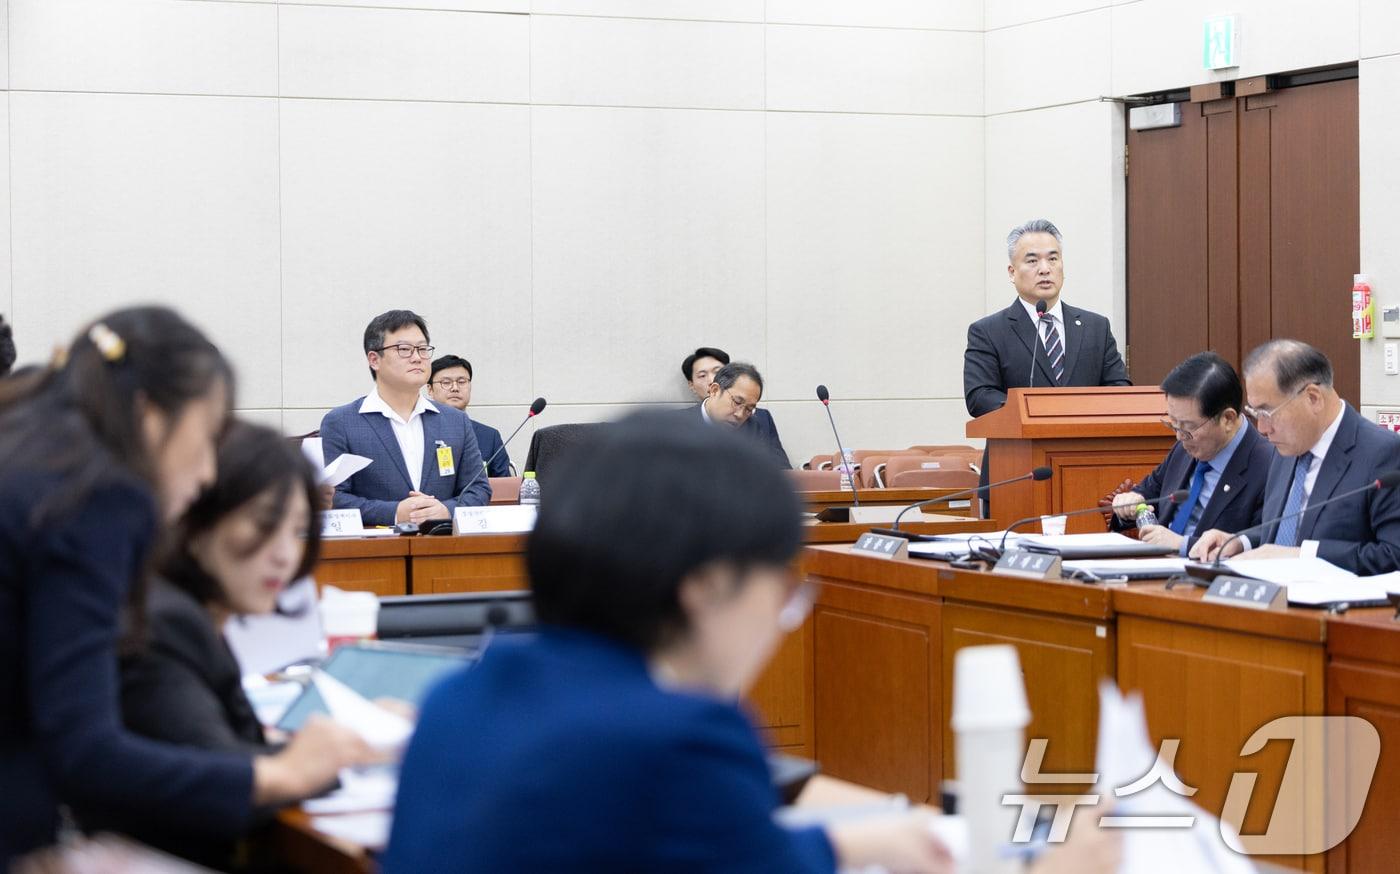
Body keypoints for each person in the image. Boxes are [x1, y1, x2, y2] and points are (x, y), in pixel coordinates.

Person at [384, 414, 1119, 874]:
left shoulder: (462, 697)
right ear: (707, 588)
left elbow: (736, 855)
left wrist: (853, 845)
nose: (781, 621)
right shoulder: (680, 736)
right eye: (782, 592)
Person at [0, 307, 371, 868]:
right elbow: (86, 751)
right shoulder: (95, 494)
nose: (204, 475)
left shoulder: (31, 452)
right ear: (149, 417)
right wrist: (282, 771)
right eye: (205, 437)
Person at [111, 421, 336, 868]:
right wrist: (340, 755)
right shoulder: (166, 621)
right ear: (197, 516)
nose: (284, 555)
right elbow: (227, 779)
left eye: (295, 531)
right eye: (264, 524)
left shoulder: (187, 612)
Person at [1192, 340, 1400, 573]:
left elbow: (1394, 555)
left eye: (1267, 412)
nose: (1261, 428)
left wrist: (1303, 555)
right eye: (1254, 413)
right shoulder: (1286, 447)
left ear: (1313, 398)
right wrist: (1239, 541)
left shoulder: (1384, 453)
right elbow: (1291, 529)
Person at [963, 220, 1131, 508]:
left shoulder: (1095, 327)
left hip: (1086, 472)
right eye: (1032, 260)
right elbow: (980, 397)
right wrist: (1036, 413)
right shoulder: (989, 331)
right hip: (1017, 473)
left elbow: (1120, 389)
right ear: (1011, 272)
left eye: (1053, 258)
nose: (1045, 268)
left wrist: (1077, 415)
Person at [320, 310, 490, 527]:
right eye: (404, 349)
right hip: (377, 552)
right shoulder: (342, 422)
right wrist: (394, 512)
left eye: (422, 349)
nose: (417, 357)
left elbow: (478, 489)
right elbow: (334, 497)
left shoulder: (455, 421)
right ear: (374, 359)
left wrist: (446, 510)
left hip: (443, 549)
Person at [1109, 352, 1273, 555]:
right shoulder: (1185, 448)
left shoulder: (1269, 465)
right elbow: (1150, 492)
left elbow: (1263, 543)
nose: (1179, 436)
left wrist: (1183, 544)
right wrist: (1131, 502)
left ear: (1228, 419)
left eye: (1187, 427)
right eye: (1173, 424)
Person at [682, 347, 791, 469]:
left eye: (749, 409)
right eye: (737, 402)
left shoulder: (755, 426)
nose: (740, 415)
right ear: (714, 390)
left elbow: (781, 473)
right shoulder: (677, 425)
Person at [427, 354, 510, 478]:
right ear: (430, 389)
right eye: (446, 382)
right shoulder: (418, 430)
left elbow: (504, 488)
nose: (455, 388)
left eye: (461, 382)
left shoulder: (489, 436)